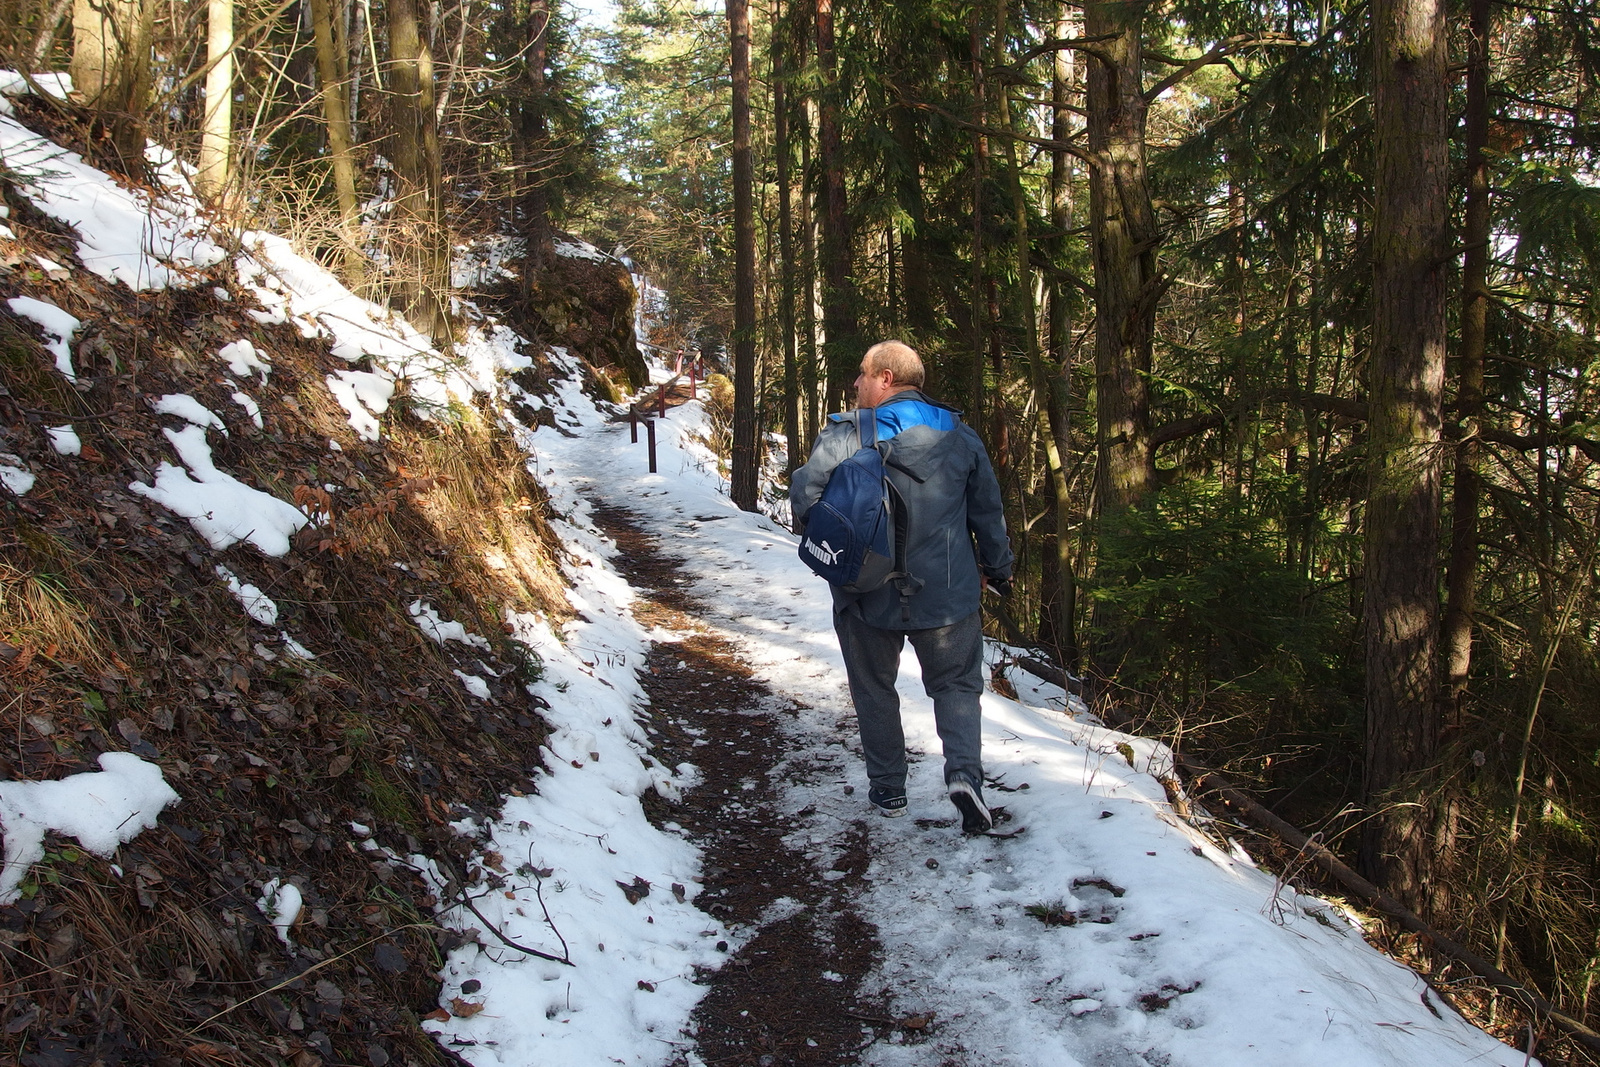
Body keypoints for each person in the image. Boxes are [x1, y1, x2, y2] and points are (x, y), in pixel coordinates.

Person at [790, 340, 1014, 833]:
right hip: (948, 592)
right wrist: (998, 569)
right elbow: (987, 513)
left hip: (864, 590)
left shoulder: (847, 433)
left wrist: (836, 548)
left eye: (863, 374)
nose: (855, 383)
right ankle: (965, 777)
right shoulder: (961, 436)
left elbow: (806, 499)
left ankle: (889, 788)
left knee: (873, 686)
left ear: (886, 378)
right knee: (955, 685)